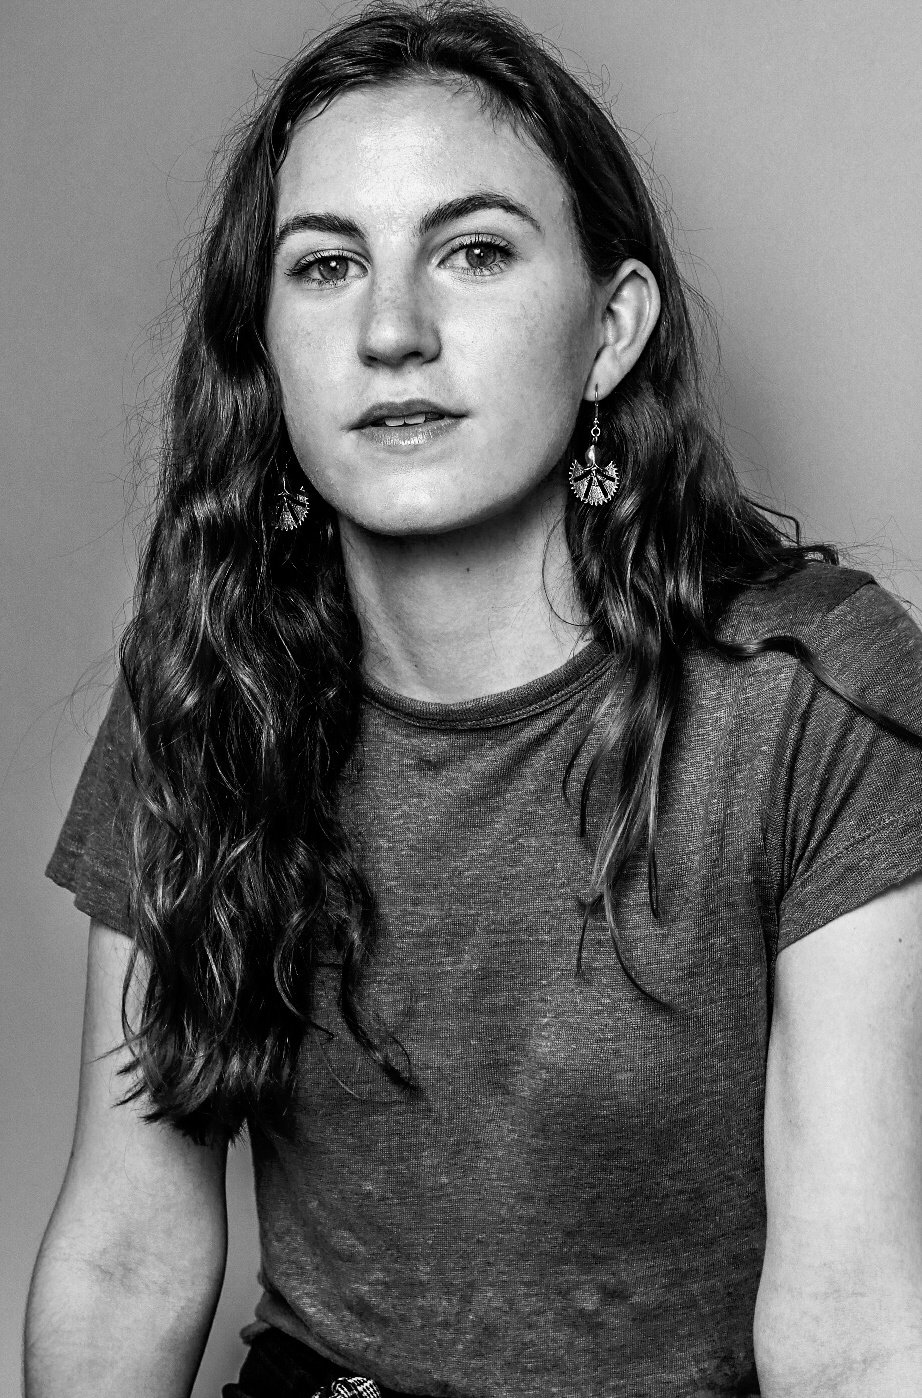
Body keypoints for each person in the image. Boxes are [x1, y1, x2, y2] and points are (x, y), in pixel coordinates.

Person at [23, 2, 922, 1395]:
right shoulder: (206, 682)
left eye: (475, 251)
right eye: (326, 266)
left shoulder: (811, 698)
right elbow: (130, 1248)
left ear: (610, 330)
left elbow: (857, 1327)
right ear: (266, 352)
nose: (392, 330)